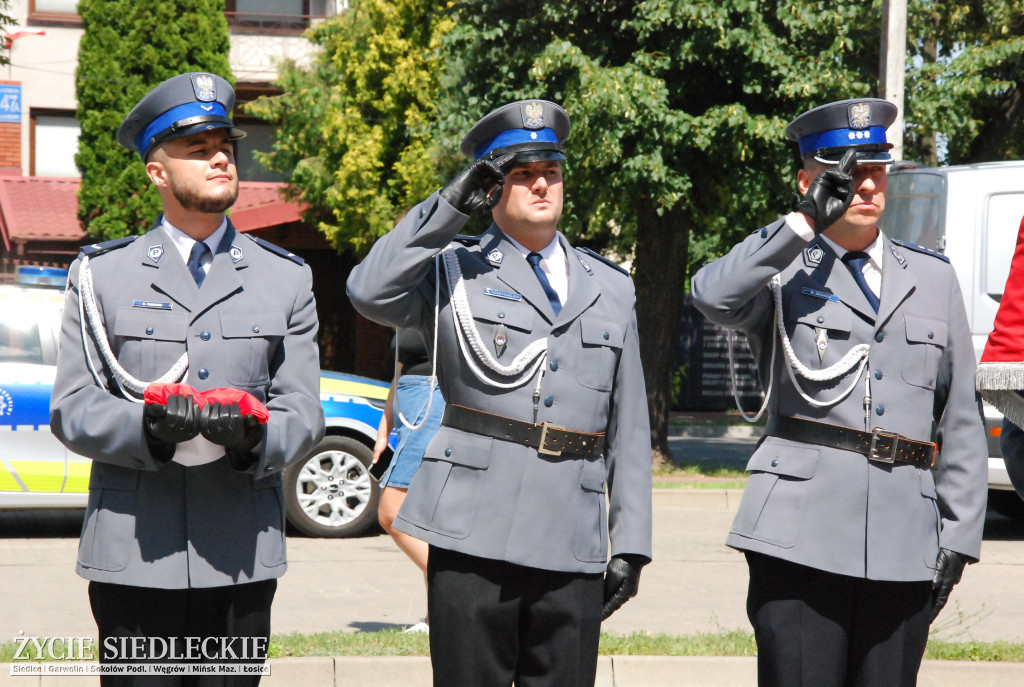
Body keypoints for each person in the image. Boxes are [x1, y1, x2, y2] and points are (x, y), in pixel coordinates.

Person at [347, 99, 652, 687]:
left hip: (572, 534)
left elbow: (629, 427)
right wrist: (448, 207)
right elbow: (366, 290)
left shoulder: (611, 286)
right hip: (472, 530)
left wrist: (632, 543)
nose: (542, 184)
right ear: (491, 189)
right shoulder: (452, 268)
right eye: (521, 174)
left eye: (552, 172)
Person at [691, 98, 988, 687]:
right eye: (846, 170)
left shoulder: (932, 277)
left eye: (876, 169)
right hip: (799, 538)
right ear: (808, 179)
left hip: (905, 536)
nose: (865, 183)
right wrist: (802, 224)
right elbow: (710, 295)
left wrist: (958, 535)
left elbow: (959, 417)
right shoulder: (781, 267)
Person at [49, 72, 325, 685]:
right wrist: (143, 425)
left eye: (225, 145)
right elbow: (71, 406)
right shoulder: (103, 276)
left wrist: (258, 436)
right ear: (157, 173)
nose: (221, 157)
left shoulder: (285, 277)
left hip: (239, 553)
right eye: (198, 150)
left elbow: (303, 409)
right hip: (133, 552)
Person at [372, 327, 446, 633]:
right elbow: (398, 371)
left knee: (391, 512)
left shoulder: (447, 293)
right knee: (427, 524)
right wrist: (384, 427)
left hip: (433, 401)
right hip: (411, 408)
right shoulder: (406, 304)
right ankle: (437, 618)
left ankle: (456, 587)